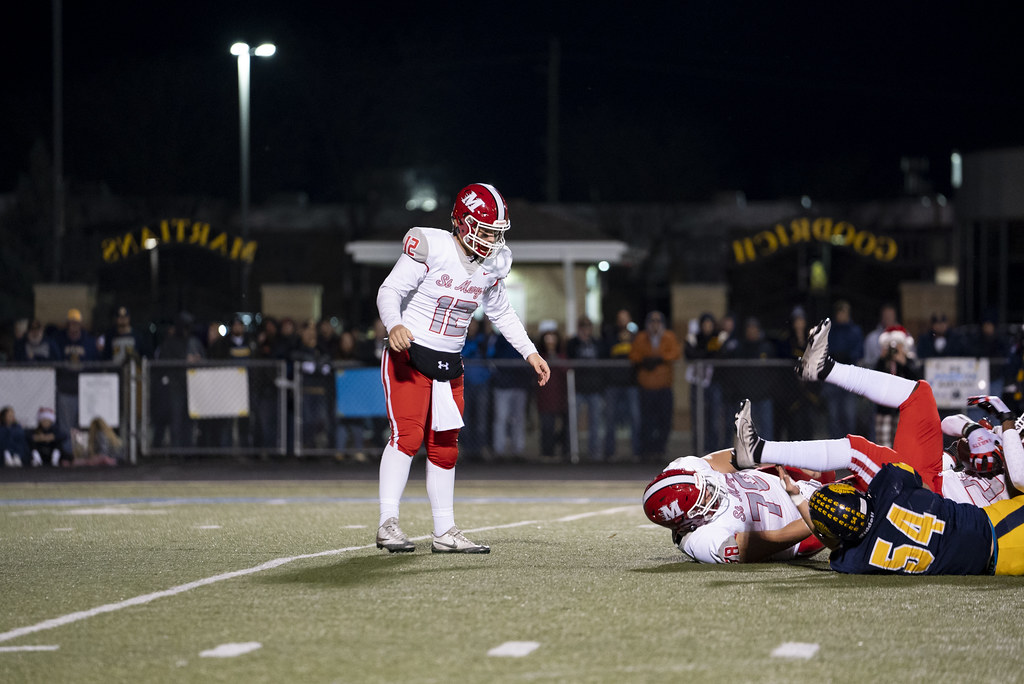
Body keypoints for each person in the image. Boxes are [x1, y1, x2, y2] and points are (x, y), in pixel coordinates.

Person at [373, 182, 550, 554]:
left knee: (445, 448)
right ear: (463, 222)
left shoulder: (496, 262)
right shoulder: (431, 245)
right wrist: (395, 325)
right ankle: (388, 523)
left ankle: (445, 532)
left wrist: (529, 352)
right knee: (406, 437)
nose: (491, 241)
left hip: (450, 361)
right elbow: (389, 291)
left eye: (496, 233)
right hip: (411, 352)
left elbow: (501, 310)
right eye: (485, 231)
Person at [732, 317, 1019, 508]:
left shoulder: (1012, 433)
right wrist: (974, 429)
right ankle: (823, 368)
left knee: (859, 451)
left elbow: (1018, 477)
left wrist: (1005, 424)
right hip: (936, 478)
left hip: (935, 503)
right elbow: (949, 423)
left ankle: (759, 452)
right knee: (921, 394)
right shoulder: (1011, 432)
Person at [781, 460, 1024, 575]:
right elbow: (926, 487)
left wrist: (797, 499)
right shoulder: (890, 484)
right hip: (997, 525)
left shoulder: (857, 560)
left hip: (996, 565)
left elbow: (832, 540)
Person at [641, 455, 825, 564]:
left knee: (819, 463)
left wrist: (770, 454)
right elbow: (775, 540)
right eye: (703, 499)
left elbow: (739, 458)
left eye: (706, 486)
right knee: (846, 514)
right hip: (797, 524)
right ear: (687, 522)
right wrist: (818, 516)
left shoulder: (684, 469)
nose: (711, 491)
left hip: (779, 480)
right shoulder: (704, 542)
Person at [630, 311, 681, 460]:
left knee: (664, 420)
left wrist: (660, 358)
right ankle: (647, 450)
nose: (655, 324)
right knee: (647, 421)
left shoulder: (668, 336)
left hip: (664, 387)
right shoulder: (641, 338)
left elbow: (676, 353)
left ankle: (660, 449)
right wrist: (645, 360)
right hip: (646, 388)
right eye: (652, 321)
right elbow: (633, 355)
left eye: (658, 321)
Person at [820, 300, 863, 439]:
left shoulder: (855, 330)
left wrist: (848, 356)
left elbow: (859, 351)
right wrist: (835, 355)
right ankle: (835, 445)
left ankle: (851, 445)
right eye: (839, 312)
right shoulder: (830, 331)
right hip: (833, 376)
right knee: (833, 415)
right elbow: (825, 350)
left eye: (844, 312)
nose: (841, 315)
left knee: (849, 414)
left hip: (849, 377)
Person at [55, 308, 101, 439]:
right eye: (71, 323)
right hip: (66, 389)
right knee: (66, 427)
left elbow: (97, 363)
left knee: (83, 425)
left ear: (80, 324)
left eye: (76, 323)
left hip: (85, 390)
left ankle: (81, 455)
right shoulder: (59, 340)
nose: (73, 326)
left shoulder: (90, 342)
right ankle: (68, 455)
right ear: (67, 324)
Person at [565, 315, 606, 460]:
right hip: (577, 388)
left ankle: (595, 453)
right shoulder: (573, 343)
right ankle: (572, 451)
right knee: (573, 422)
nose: (585, 330)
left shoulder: (597, 343)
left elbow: (603, 361)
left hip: (594, 388)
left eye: (587, 327)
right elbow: (568, 359)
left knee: (595, 423)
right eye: (582, 327)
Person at [602, 308, 640, 460]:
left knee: (635, 418)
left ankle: (637, 452)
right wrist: (618, 339)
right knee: (610, 419)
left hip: (631, 383)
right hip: (613, 383)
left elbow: (638, 356)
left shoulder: (635, 337)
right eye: (620, 319)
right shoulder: (611, 335)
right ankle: (609, 453)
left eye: (625, 318)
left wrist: (630, 339)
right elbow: (605, 354)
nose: (623, 322)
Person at [872, 325, 919, 448]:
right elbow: (874, 377)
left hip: (903, 408)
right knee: (883, 443)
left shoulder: (908, 361)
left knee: (903, 442)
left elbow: (916, 379)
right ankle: (885, 465)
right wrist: (883, 359)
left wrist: (903, 362)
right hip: (884, 407)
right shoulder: (882, 361)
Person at [535, 321, 568, 459]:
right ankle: (547, 453)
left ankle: (565, 452)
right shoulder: (539, 357)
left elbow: (566, 371)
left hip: (561, 398)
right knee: (547, 427)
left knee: (564, 427)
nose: (550, 340)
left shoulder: (562, 356)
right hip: (545, 398)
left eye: (553, 336)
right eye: (547, 337)